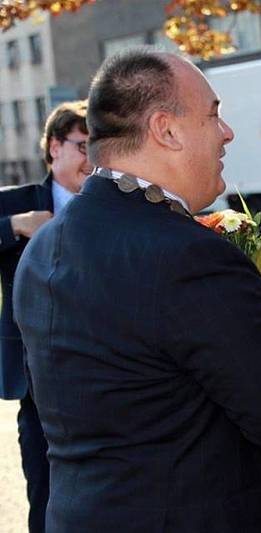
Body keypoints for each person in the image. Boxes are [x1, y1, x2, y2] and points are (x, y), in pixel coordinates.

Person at [13, 49, 261, 533]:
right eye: (214, 114)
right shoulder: (187, 255)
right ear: (166, 130)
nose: (227, 132)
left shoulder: (42, 248)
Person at [0, 100, 91, 533]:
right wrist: (15, 225)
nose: (92, 161)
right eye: (83, 147)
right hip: (36, 385)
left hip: (100, 375)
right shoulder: (19, 203)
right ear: (55, 147)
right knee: (46, 495)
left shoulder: (108, 203)